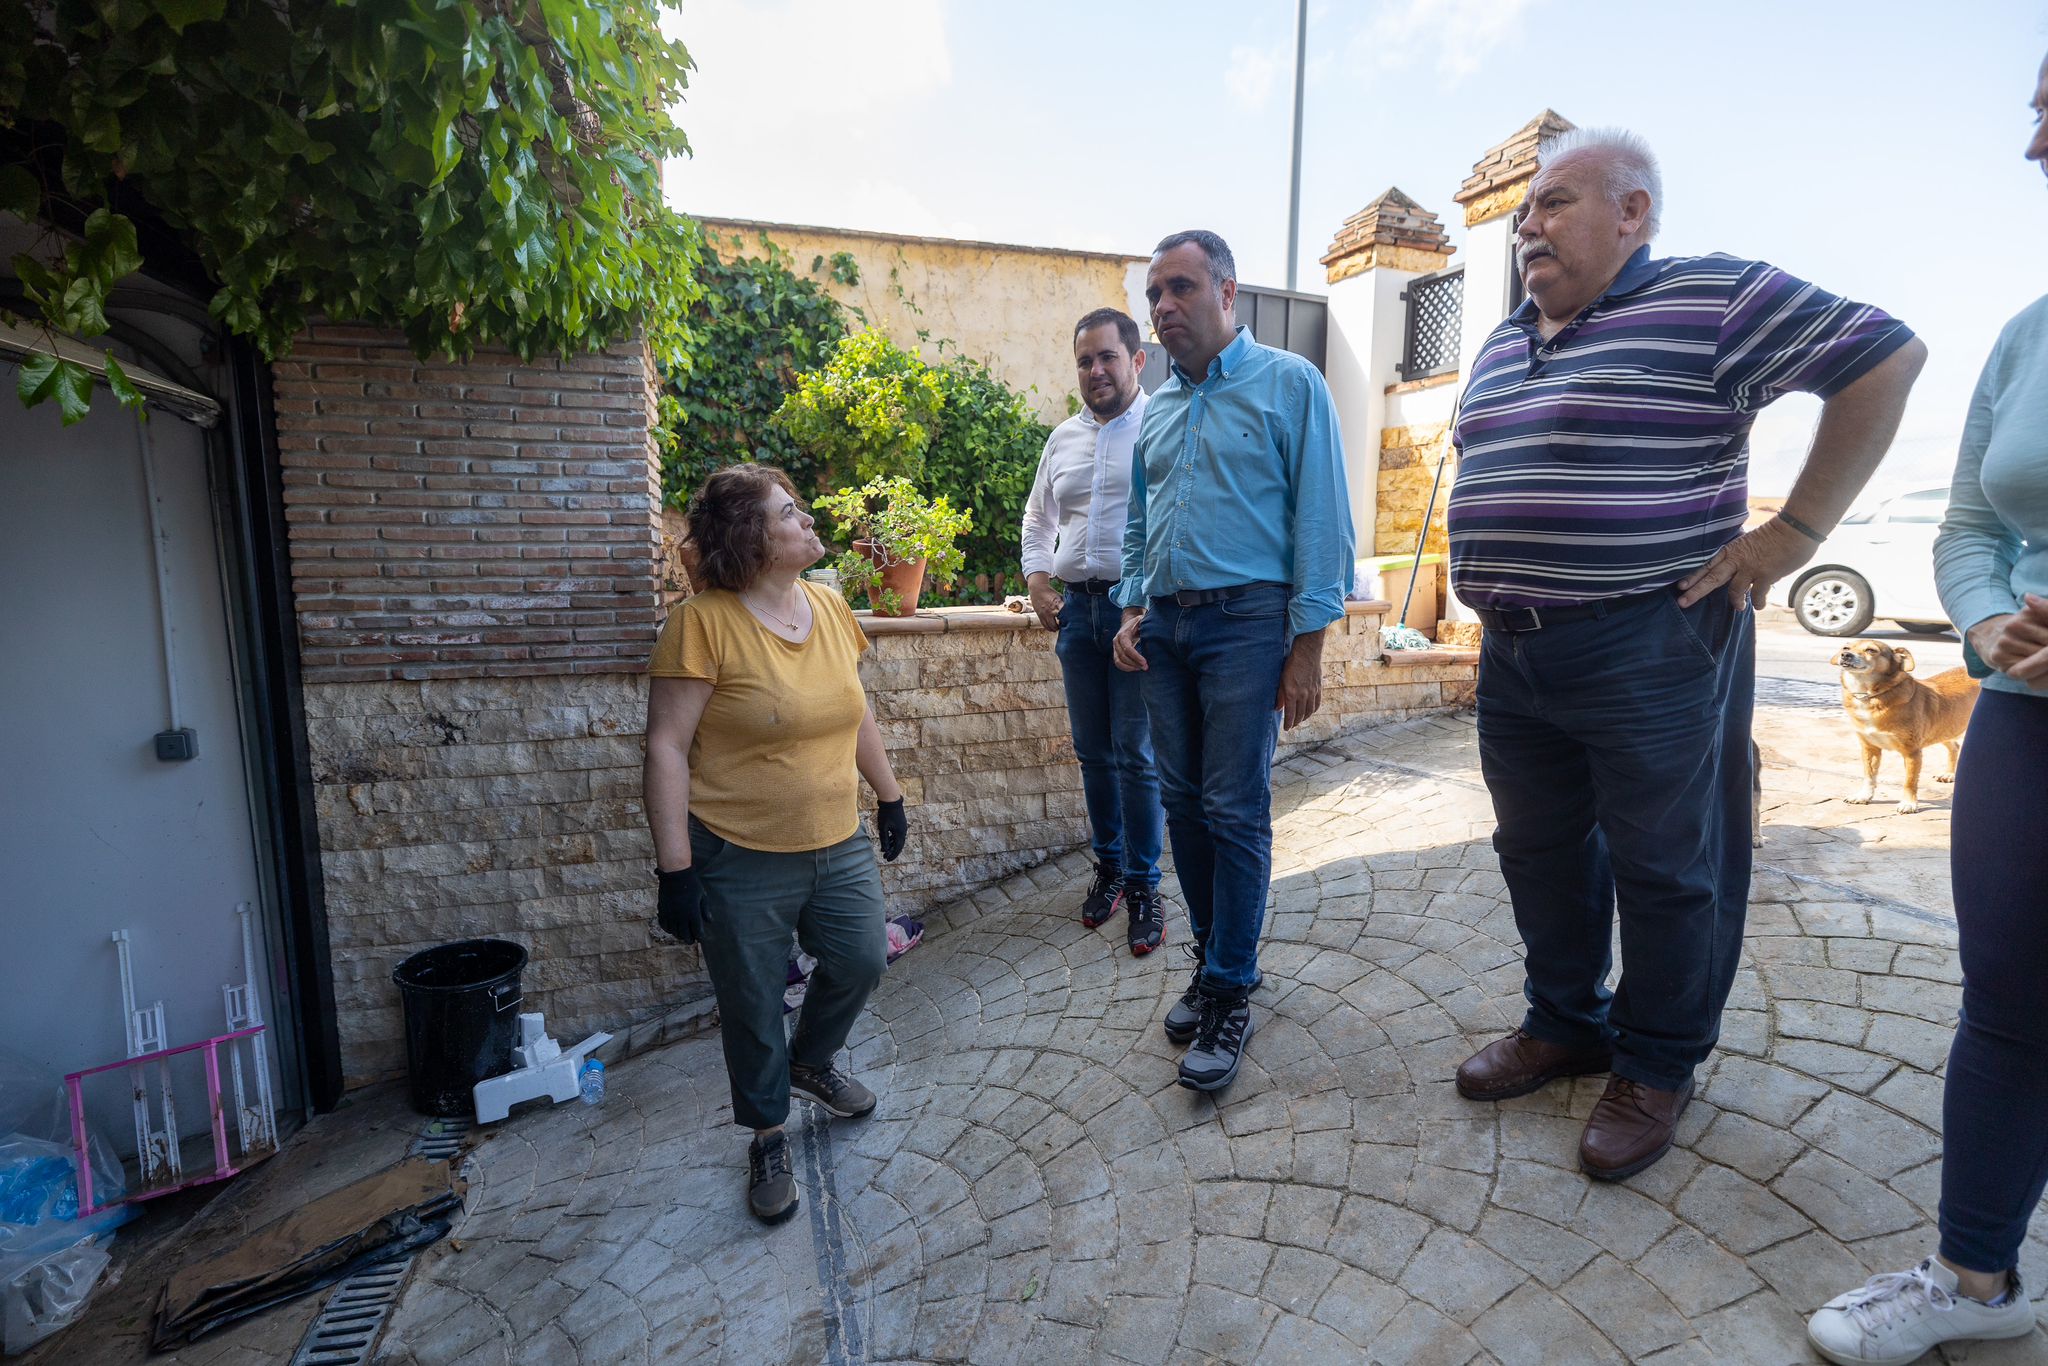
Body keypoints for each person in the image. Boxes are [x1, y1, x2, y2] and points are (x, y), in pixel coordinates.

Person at [1447, 127, 1927, 1180]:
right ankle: (1564, 1021)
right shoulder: (1498, 339)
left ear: (1631, 213)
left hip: (1647, 640)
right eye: (1524, 209)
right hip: (1512, 653)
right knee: (1536, 850)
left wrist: (1790, 535)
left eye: (1554, 202)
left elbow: (1882, 354)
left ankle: (1656, 1062)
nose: (1528, 223)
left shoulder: (1712, 299)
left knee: (1665, 865)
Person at [1805, 54, 2048, 1365]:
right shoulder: (2028, 332)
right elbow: (1966, 526)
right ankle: (1974, 1276)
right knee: (2008, 1004)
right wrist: (1985, 624)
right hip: (2022, 713)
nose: (2031, 149)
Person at [1112, 229, 1353, 1092]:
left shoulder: (1290, 384)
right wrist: (1133, 604)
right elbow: (1139, 523)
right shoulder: (1160, 409)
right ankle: (1217, 960)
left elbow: (1321, 518)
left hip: (1249, 624)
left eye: (1179, 288)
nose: (1163, 308)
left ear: (1228, 293)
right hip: (1169, 629)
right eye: (1154, 297)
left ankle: (1228, 990)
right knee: (1181, 803)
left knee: (1235, 808)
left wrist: (1309, 646)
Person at [642, 463, 910, 1226]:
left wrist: (888, 795)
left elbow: (854, 711)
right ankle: (766, 1133)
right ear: (753, 538)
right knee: (753, 999)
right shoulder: (703, 625)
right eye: (788, 513)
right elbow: (665, 747)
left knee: (861, 957)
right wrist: (676, 871)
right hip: (737, 851)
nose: (805, 520)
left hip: (838, 837)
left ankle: (811, 1061)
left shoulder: (829, 607)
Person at [1021, 307, 1167, 955]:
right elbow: (1038, 517)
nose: (1095, 370)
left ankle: (1143, 883)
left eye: (1107, 357)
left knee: (1135, 754)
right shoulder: (1062, 440)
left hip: (1138, 612)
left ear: (1137, 361)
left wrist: (1147, 605)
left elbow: (1172, 524)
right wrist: (1037, 581)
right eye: (1085, 360)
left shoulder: (1163, 425)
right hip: (1077, 614)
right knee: (1092, 750)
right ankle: (1109, 867)